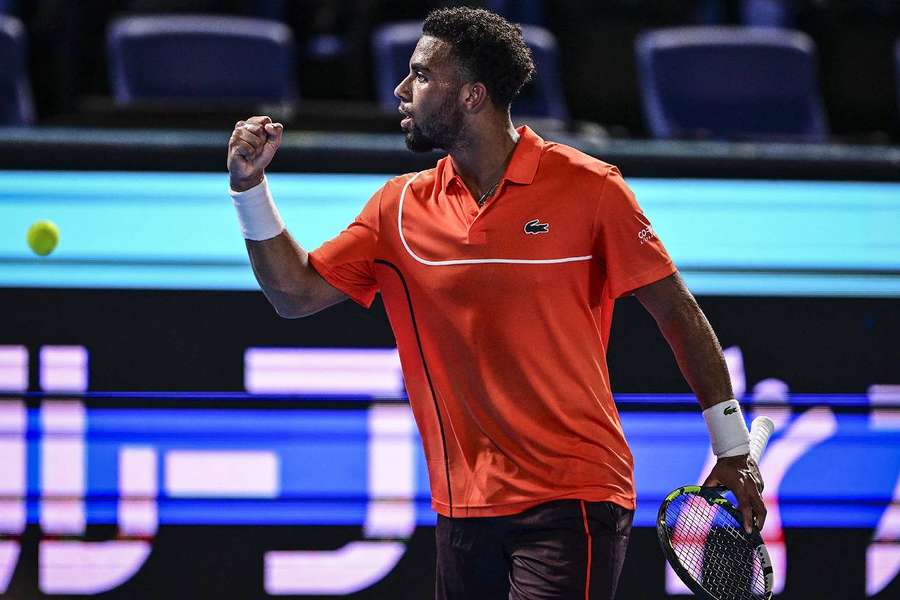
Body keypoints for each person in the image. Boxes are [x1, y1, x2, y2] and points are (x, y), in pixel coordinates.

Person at [226, 7, 766, 600]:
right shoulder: (398, 209)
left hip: (574, 495)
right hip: (462, 506)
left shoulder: (591, 188)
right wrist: (250, 190)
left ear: (473, 96)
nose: (402, 90)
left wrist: (732, 448)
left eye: (422, 75)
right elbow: (294, 294)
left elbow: (676, 311)